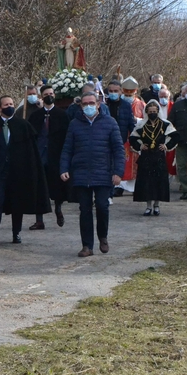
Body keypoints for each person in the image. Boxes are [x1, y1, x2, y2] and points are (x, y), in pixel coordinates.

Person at [59, 92, 126, 257]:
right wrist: (64, 168)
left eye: (91, 103)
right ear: (80, 106)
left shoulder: (110, 123)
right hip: (81, 173)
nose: (88, 106)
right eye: (85, 104)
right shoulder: (75, 124)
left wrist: (118, 172)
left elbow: (118, 150)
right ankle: (87, 246)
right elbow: (67, 148)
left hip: (103, 172)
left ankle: (103, 236)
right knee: (85, 210)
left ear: (98, 104)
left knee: (102, 207)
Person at [0, 95, 50, 245]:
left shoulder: (23, 125)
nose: (10, 106)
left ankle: (16, 233)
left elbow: (30, 152)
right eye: (6, 104)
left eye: (11, 104)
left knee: (17, 204)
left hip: (17, 172)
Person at [28, 85, 71, 229]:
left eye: (51, 94)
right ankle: (39, 219)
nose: (49, 96)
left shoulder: (62, 115)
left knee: (57, 185)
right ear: (42, 96)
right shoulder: (35, 115)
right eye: (46, 94)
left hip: (55, 155)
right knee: (39, 186)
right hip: (40, 155)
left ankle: (58, 209)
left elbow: (67, 136)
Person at [129, 100, 179, 216]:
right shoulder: (141, 125)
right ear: (147, 112)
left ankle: (157, 205)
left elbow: (175, 136)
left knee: (158, 181)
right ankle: (148, 206)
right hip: (146, 157)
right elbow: (132, 138)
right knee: (147, 182)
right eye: (150, 112)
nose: (152, 113)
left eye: (154, 111)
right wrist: (140, 146)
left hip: (159, 156)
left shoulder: (165, 124)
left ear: (158, 111)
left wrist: (166, 146)